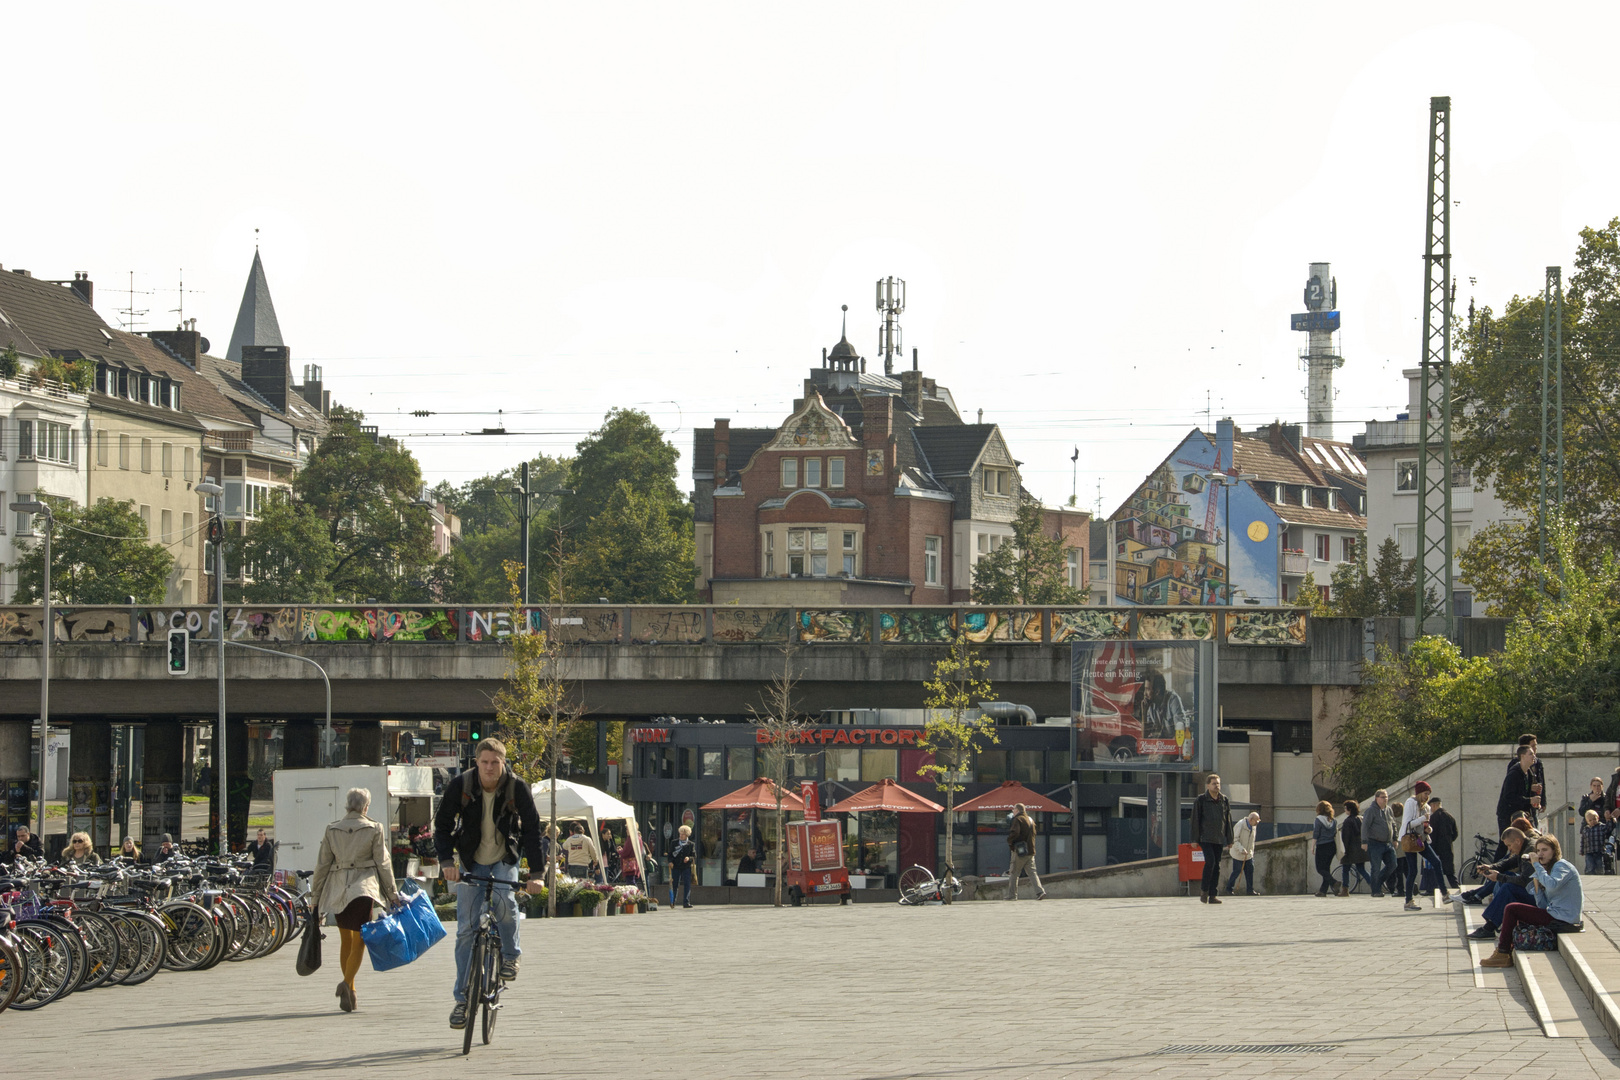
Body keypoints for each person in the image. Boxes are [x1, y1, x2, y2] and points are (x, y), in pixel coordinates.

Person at [433, 738, 546, 1031]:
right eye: (484, 762)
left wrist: (536, 874)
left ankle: (510, 956)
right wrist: (447, 863)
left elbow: (533, 830)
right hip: (471, 861)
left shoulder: (515, 787)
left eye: (495, 762)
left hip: (504, 858)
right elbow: (442, 825)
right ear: (476, 762)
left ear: (503, 763)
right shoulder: (461, 785)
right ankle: (462, 1000)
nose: (489, 767)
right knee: (465, 931)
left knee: (505, 903)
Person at [310, 786, 398, 1015]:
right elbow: (384, 863)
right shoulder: (374, 828)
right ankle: (347, 983)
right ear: (366, 807)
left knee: (345, 939)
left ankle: (351, 989)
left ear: (347, 806)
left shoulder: (332, 829)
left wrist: (315, 898)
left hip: (338, 889)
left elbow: (322, 865)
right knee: (360, 941)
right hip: (363, 890)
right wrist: (392, 893)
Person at [1481, 834, 1583, 968]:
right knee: (1517, 909)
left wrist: (1537, 865)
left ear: (1554, 851)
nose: (1541, 854)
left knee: (1512, 908)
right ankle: (1505, 950)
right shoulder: (1548, 869)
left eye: (1545, 850)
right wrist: (1536, 882)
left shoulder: (1562, 866)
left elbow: (1552, 885)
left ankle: (1503, 952)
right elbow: (1542, 905)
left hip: (1564, 918)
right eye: (1539, 850)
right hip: (1555, 913)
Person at [1457, 827, 1534, 936]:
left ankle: (1490, 927)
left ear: (1517, 841)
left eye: (1509, 846)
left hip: (1540, 898)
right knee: (1507, 878)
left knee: (1508, 887)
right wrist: (1491, 867)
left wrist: (1499, 877)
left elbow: (1525, 881)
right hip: (1534, 891)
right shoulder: (1525, 847)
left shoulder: (1530, 850)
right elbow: (1509, 862)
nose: (1509, 849)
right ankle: (1496, 921)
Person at [1398, 781, 1453, 909]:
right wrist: (1423, 819)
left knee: (1436, 862)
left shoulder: (1427, 807)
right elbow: (1408, 824)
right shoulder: (1410, 803)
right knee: (1413, 870)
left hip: (1421, 839)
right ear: (1419, 793)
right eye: (1425, 793)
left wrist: (1429, 829)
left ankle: (1444, 893)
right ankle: (1408, 901)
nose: (1426, 796)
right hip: (1410, 839)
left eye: (1428, 794)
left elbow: (1426, 826)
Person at [1190, 773, 1232, 904]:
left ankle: (1213, 895)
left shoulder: (1224, 800)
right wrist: (1194, 839)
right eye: (1214, 784)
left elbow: (1228, 820)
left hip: (1218, 838)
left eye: (1218, 783)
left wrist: (1230, 839)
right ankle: (1204, 891)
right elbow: (1195, 820)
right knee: (1210, 862)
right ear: (1208, 785)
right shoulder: (1201, 800)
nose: (1217, 786)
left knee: (1217, 866)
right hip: (1205, 837)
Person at [1496, 745, 1541, 853]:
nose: (1534, 756)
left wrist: (1533, 804)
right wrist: (1530, 800)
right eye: (1530, 754)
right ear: (1522, 756)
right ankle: (1495, 867)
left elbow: (1526, 793)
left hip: (1519, 814)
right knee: (1504, 844)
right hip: (1507, 814)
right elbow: (1509, 797)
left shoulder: (1529, 773)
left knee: (1524, 842)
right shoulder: (1513, 774)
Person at [1006, 803, 1047, 901]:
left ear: (1017, 810)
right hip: (1030, 850)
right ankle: (1040, 892)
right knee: (1032, 872)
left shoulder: (1017, 819)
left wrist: (1009, 841)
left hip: (1020, 851)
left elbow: (1015, 832)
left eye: (1013, 809)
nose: (1012, 811)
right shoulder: (1030, 819)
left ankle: (1012, 895)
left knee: (1014, 873)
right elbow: (1034, 834)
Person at [1363, 789, 1396, 898]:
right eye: (1383, 797)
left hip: (1387, 843)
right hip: (1375, 843)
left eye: (1386, 797)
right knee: (1375, 867)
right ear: (1377, 798)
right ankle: (1375, 890)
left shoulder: (1389, 810)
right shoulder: (1371, 810)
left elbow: (1393, 824)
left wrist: (1395, 838)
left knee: (1392, 864)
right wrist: (1364, 841)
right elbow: (1365, 826)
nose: (1385, 799)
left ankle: (1378, 882)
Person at [1426, 795, 1461, 893]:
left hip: (1436, 848)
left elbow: (1432, 834)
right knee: (1449, 870)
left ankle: (1432, 889)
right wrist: (1449, 841)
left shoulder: (1433, 818)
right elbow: (1456, 833)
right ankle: (1455, 887)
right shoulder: (1450, 816)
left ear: (1433, 805)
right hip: (1448, 847)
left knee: (1435, 869)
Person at [1337, 800, 1373, 896]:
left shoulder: (1348, 821)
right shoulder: (1361, 818)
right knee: (1361, 869)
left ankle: (1345, 890)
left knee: (1345, 869)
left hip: (1350, 850)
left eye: (1345, 808)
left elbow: (1346, 837)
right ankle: (1374, 885)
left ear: (1349, 809)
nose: (1345, 810)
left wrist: (1344, 850)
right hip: (1360, 849)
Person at [1224, 812, 1261, 896]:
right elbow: (1234, 839)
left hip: (1248, 854)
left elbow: (1252, 841)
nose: (1257, 823)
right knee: (1237, 871)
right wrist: (1241, 849)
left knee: (1250, 871)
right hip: (1238, 853)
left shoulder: (1253, 826)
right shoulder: (1240, 825)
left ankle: (1250, 890)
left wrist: (1251, 852)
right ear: (1251, 819)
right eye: (1256, 821)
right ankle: (1229, 889)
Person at [1310, 801, 1338, 897]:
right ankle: (1323, 891)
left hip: (1322, 846)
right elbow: (1335, 833)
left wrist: (1312, 846)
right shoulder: (1333, 820)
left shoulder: (1318, 820)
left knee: (1320, 868)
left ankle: (1334, 882)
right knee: (1326, 868)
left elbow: (1316, 834)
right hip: (1332, 846)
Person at [668, 825, 697, 908]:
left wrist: (689, 858)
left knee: (687, 884)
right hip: (676, 866)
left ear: (687, 835)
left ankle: (686, 902)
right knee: (675, 885)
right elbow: (670, 854)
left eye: (683, 834)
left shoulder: (691, 844)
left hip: (686, 867)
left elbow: (694, 856)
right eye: (680, 834)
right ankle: (672, 902)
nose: (681, 835)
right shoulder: (674, 843)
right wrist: (670, 862)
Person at [1581, 809, 1607, 875]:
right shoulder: (1585, 829)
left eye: (1594, 819)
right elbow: (1583, 841)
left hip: (1599, 850)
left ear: (1598, 818)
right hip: (1589, 851)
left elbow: (1608, 829)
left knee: (1599, 864)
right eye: (1590, 820)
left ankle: (1600, 874)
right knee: (1589, 865)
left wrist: (1610, 821)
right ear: (1587, 821)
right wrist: (1582, 850)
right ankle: (1590, 874)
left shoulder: (1601, 827)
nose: (1593, 821)